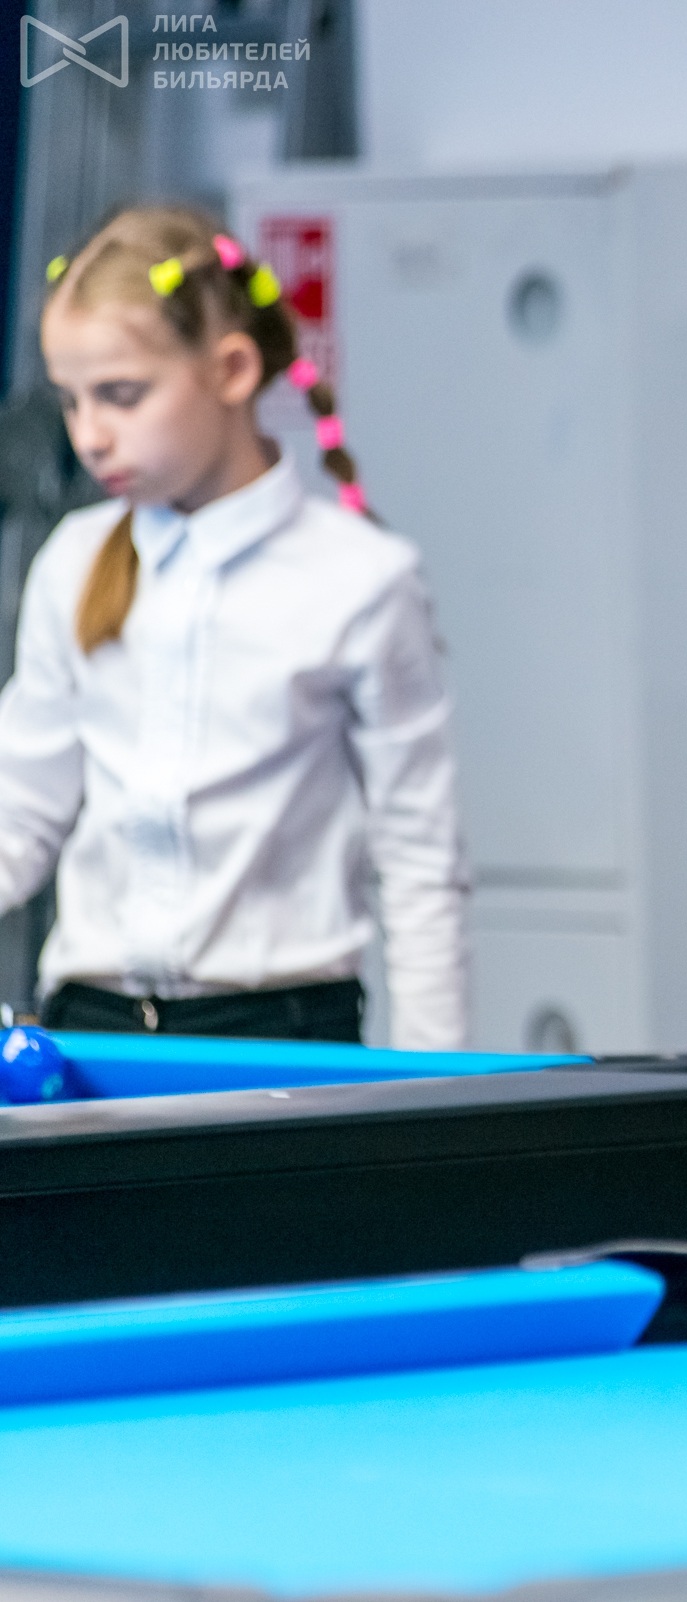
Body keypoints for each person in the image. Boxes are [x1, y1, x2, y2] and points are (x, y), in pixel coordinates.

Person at [0, 206, 467, 1046]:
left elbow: (420, 860)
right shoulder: (73, 560)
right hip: (90, 1024)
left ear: (233, 370)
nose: (91, 436)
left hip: (281, 1028)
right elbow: (19, 810)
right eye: (71, 401)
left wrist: (438, 1097)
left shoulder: (361, 577)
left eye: (122, 395)